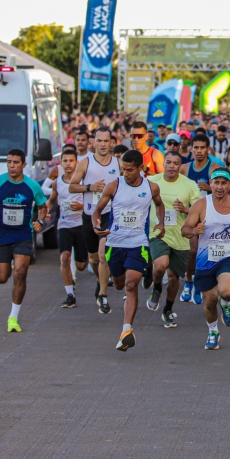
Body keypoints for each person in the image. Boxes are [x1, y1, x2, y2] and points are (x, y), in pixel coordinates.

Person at [91, 149, 167, 351]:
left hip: (138, 243)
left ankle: (126, 331)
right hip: (115, 243)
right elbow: (97, 210)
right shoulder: (114, 185)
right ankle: (137, 275)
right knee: (119, 284)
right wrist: (96, 225)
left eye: (130, 170)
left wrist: (160, 223)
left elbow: (160, 205)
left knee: (131, 284)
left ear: (141, 168)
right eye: (123, 169)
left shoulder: (151, 187)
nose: (126, 173)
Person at [183, 168, 230, 349]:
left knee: (226, 292)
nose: (220, 187)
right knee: (209, 302)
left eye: (224, 183)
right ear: (211, 184)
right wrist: (195, 230)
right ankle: (213, 331)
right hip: (205, 259)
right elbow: (185, 230)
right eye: (216, 183)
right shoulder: (201, 205)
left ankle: (226, 303)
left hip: (228, 256)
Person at [0, 148, 48, 333]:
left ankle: (13, 317)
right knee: (2, 278)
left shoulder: (32, 186)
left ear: (24, 165)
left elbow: (43, 206)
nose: (11, 166)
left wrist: (40, 221)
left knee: (20, 272)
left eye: (16, 162)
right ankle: (8, 262)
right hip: (0, 234)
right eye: (9, 162)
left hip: (22, 235)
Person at [69, 126, 121, 315]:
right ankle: (100, 281)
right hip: (90, 215)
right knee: (92, 257)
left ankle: (103, 294)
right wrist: (90, 187)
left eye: (106, 141)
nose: (103, 144)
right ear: (94, 142)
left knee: (102, 255)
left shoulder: (118, 164)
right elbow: (72, 187)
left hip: (109, 215)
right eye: (99, 141)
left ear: (112, 143)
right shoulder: (86, 162)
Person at [147, 151, 201, 327]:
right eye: (168, 162)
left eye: (175, 163)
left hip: (180, 237)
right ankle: (156, 287)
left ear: (180, 166)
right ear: (163, 164)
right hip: (158, 233)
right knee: (160, 265)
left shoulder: (189, 184)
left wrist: (185, 209)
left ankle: (168, 309)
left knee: (173, 278)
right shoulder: (152, 182)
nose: (171, 166)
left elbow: (199, 209)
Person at [47, 146, 86, 308]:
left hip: (81, 225)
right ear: (61, 163)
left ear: (77, 163)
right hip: (64, 225)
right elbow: (51, 200)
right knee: (64, 257)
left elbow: (94, 203)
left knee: (81, 265)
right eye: (65, 161)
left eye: (71, 161)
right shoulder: (57, 182)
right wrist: (45, 212)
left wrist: (81, 206)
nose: (68, 164)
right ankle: (70, 294)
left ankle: (81, 266)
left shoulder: (83, 181)